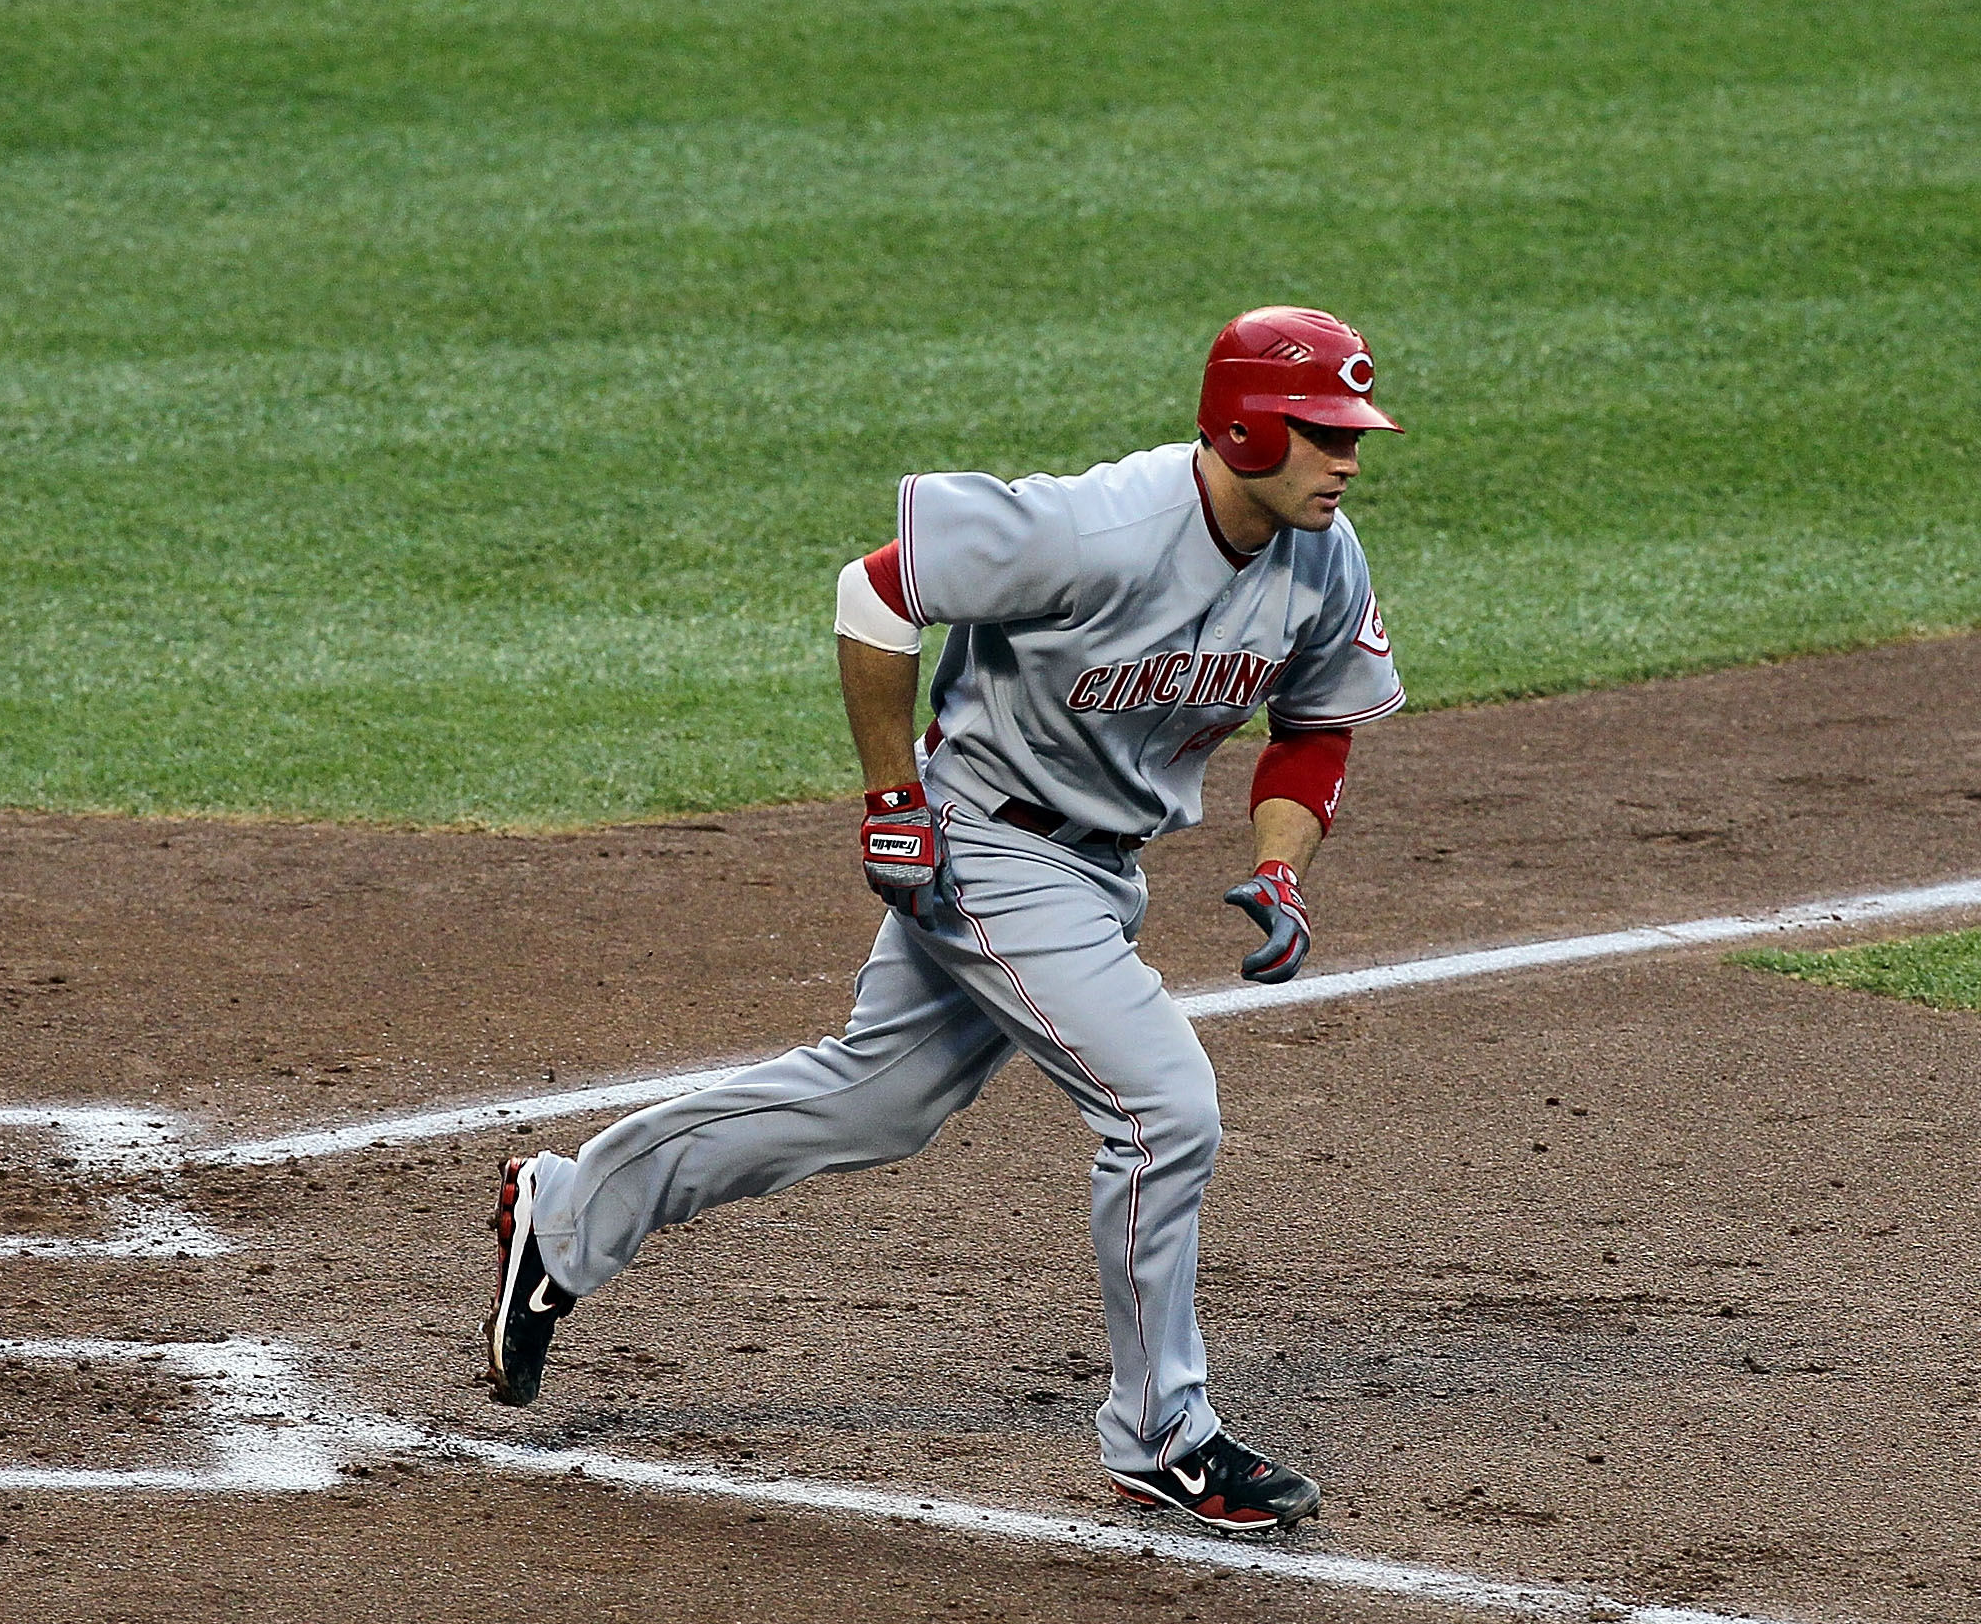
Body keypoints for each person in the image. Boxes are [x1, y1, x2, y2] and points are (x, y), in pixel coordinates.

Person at [483, 307, 1406, 1535]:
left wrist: (1281, 868)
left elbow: (1317, 721)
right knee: (1163, 1108)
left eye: (1353, 431)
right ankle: (1162, 1434)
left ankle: (564, 1214)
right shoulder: (1095, 529)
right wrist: (889, 797)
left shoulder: (1321, 560)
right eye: (1319, 431)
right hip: (985, 846)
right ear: (1244, 424)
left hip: (1093, 867)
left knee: (874, 1100)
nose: (1345, 457)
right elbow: (876, 594)